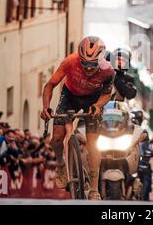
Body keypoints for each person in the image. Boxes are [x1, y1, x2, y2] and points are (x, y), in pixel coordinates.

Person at [40, 36, 115, 200]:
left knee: (93, 145)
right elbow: (50, 85)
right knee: (57, 137)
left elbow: (107, 93)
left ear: (101, 61)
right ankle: (60, 163)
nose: (88, 69)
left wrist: (98, 106)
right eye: (84, 64)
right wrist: (45, 108)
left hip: (93, 100)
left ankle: (94, 189)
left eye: (92, 65)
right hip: (70, 96)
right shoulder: (70, 61)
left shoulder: (108, 71)